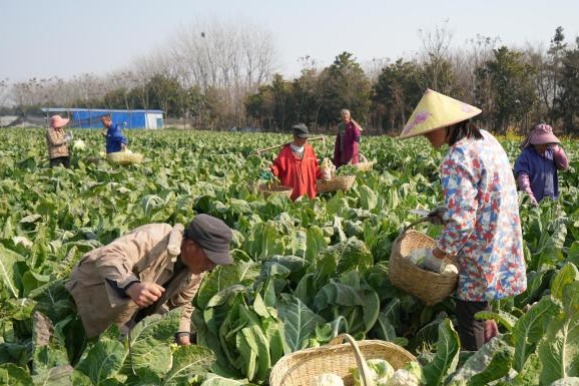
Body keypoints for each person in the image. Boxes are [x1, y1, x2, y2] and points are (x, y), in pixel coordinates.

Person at [398, 89, 527, 351]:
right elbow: (484, 195)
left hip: (479, 249)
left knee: (470, 315)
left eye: (429, 128)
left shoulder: (456, 158)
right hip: (502, 239)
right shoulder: (487, 141)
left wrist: (437, 255)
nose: (425, 134)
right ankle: (495, 358)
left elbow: (461, 223)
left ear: (448, 126)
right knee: (483, 308)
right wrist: (446, 212)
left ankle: (478, 373)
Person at [65, 214, 233, 346]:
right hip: (89, 291)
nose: (212, 266)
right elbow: (109, 255)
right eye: (210, 258)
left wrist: (183, 336)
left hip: (126, 314)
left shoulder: (197, 271)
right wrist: (132, 285)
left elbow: (182, 307)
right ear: (190, 246)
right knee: (72, 340)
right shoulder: (155, 237)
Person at [513, 123, 569, 206]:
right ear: (535, 142)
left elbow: (564, 166)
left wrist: (556, 149)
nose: (544, 147)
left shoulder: (551, 153)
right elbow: (522, 176)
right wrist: (528, 195)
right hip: (531, 202)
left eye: (547, 143)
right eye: (542, 144)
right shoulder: (526, 155)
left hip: (550, 202)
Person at [270, 124, 321, 201]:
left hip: (309, 192)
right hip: (293, 194)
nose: (305, 140)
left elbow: (315, 168)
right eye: (303, 138)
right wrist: (271, 172)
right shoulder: (285, 152)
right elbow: (277, 167)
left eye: (306, 138)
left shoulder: (309, 150)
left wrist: (324, 173)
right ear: (295, 137)